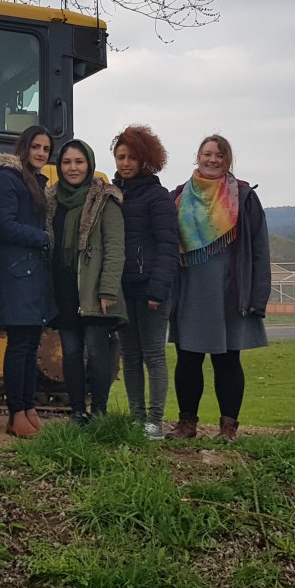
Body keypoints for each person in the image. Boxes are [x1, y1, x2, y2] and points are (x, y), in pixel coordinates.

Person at [167, 134, 271, 444]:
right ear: (197, 157)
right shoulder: (178, 196)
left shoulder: (244, 197)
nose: (212, 159)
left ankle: (228, 428)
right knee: (188, 360)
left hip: (229, 292)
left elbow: (260, 250)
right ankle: (187, 424)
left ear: (227, 161)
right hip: (189, 291)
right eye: (207, 153)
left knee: (227, 360)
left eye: (219, 155)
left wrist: (257, 296)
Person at [0, 125, 57, 438]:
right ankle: (15, 413)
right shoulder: (5, 179)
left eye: (46, 149)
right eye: (36, 147)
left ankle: (27, 407)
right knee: (19, 344)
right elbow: (1, 224)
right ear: (23, 147)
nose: (41, 153)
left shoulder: (36, 182)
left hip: (32, 273)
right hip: (14, 273)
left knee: (30, 345)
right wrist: (42, 238)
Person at [47, 140, 127, 424]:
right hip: (64, 288)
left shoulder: (105, 200)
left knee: (96, 351)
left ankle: (100, 411)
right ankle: (78, 410)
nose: (73, 168)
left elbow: (115, 248)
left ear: (89, 165)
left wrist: (107, 289)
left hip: (93, 288)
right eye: (67, 162)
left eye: (79, 162)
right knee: (69, 352)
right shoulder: (51, 200)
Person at [111, 125, 179, 440]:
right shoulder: (112, 195)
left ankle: (154, 421)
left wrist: (158, 289)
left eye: (132, 157)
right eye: (120, 156)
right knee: (130, 355)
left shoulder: (158, 197)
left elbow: (168, 246)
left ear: (145, 159)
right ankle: (136, 418)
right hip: (123, 289)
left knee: (153, 355)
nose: (125, 163)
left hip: (151, 289)